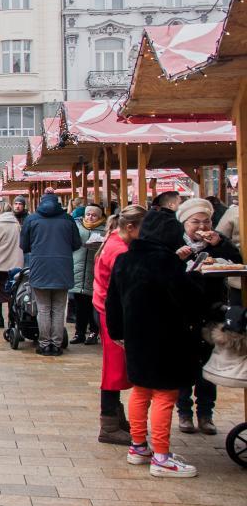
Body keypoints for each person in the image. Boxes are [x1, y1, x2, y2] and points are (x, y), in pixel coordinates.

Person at [106, 210, 205, 478]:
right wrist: (195, 278)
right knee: (164, 394)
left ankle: (138, 447)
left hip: (135, 335)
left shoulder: (125, 259)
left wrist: (117, 331)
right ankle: (161, 457)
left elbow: (112, 299)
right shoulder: (166, 262)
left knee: (140, 391)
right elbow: (189, 299)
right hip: (166, 337)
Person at [175, 198, 240, 435]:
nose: (202, 227)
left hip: (211, 311)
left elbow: (237, 262)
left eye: (207, 221)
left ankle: (205, 414)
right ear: (184, 223)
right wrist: (177, 260)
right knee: (184, 365)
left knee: (208, 366)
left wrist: (221, 244)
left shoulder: (217, 243)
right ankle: (184, 413)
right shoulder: (174, 243)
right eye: (196, 222)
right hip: (183, 313)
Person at [91, 205, 145, 445]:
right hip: (113, 314)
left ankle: (115, 417)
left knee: (115, 369)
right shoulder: (119, 250)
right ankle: (109, 424)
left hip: (105, 308)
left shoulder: (114, 239)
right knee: (114, 371)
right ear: (130, 227)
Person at [20, 192, 81, 356]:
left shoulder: (32, 219)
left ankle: (45, 344)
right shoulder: (68, 219)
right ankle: (56, 344)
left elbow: (24, 245)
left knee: (43, 309)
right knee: (59, 308)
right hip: (62, 267)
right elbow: (77, 243)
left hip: (40, 267)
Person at [70, 204, 107, 345]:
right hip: (78, 268)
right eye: (88, 214)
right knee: (80, 304)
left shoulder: (104, 229)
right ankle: (79, 332)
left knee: (93, 304)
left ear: (100, 216)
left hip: (94, 270)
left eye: (94, 215)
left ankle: (94, 332)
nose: (90, 217)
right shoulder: (77, 226)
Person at [216, 201, 241, 305]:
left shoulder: (234, 212)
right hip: (239, 277)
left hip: (239, 278)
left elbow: (219, 236)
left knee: (238, 311)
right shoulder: (234, 212)